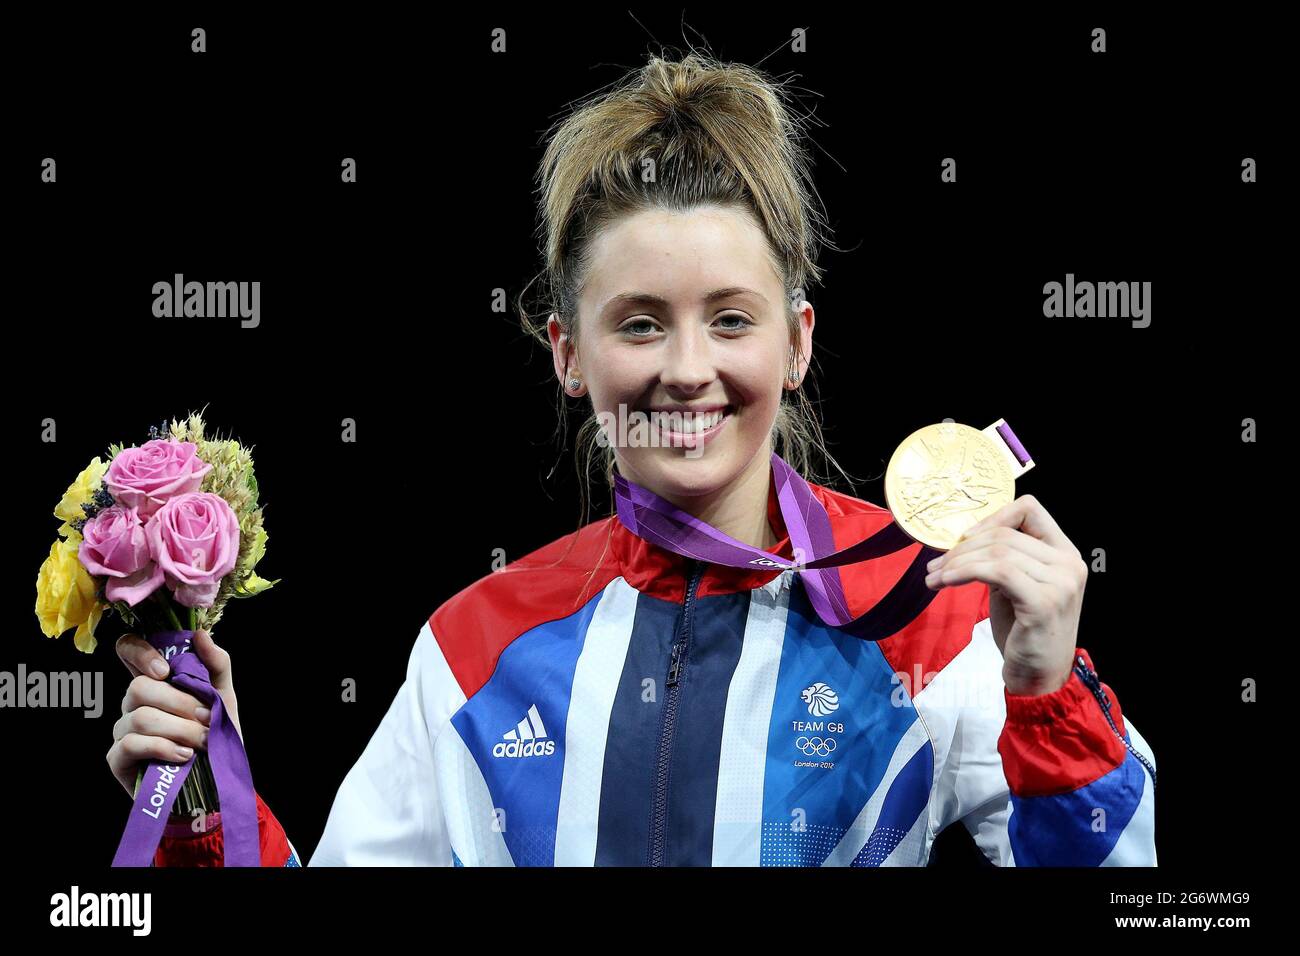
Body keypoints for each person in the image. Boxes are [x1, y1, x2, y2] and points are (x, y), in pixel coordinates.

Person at [109, 51, 1156, 867]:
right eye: (641, 324)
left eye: (730, 319)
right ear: (570, 354)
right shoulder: (478, 646)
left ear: (795, 342)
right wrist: (209, 803)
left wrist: (1044, 690)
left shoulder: (931, 606)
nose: (686, 370)